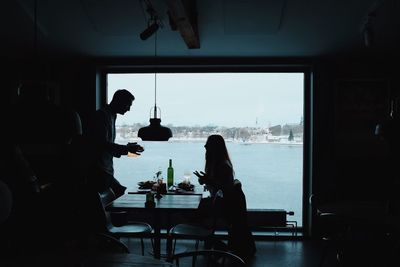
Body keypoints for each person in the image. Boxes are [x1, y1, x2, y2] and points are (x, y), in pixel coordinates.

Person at [194, 134, 255, 261]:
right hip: (228, 204)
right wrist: (207, 180)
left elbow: (224, 189)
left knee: (195, 213)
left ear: (214, 148)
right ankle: (213, 243)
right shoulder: (222, 164)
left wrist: (207, 180)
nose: (205, 146)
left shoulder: (222, 166)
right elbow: (222, 187)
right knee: (198, 212)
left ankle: (214, 243)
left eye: (208, 144)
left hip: (226, 205)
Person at [87, 89, 144, 196]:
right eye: (128, 105)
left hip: (104, 169)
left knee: (118, 192)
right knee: (114, 195)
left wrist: (127, 149)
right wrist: (127, 149)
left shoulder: (111, 115)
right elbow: (101, 144)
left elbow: (104, 144)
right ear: (119, 101)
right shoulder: (102, 116)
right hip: (99, 169)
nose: (129, 109)